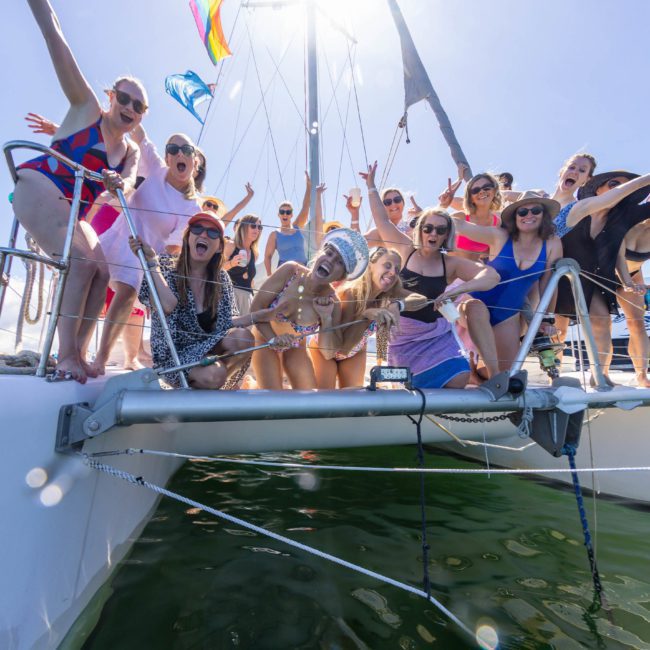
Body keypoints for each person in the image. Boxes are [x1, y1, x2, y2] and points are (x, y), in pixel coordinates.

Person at [12, 0, 145, 382]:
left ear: (140, 115)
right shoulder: (85, 108)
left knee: (102, 272)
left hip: (74, 210)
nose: (129, 107)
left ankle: (79, 353)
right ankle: (65, 355)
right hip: (39, 186)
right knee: (81, 263)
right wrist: (41, 7)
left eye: (138, 105)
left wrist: (118, 183)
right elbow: (57, 40)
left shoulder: (130, 150)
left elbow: (131, 181)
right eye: (123, 98)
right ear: (110, 97)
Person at [363, 162, 500, 389]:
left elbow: (491, 275)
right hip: (403, 337)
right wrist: (371, 186)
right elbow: (382, 220)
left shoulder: (451, 264)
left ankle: (494, 379)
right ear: (420, 231)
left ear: (447, 235)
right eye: (428, 228)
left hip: (435, 335)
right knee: (409, 386)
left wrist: (456, 290)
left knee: (459, 378)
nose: (433, 233)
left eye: (440, 229)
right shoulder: (406, 250)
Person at [94, 133, 204, 374]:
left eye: (186, 149)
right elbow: (139, 135)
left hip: (143, 254)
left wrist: (151, 258)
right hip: (117, 235)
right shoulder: (157, 168)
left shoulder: (193, 206)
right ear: (167, 156)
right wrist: (117, 100)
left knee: (126, 292)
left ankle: (100, 360)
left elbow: (173, 249)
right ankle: (75, 354)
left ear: (195, 161)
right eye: (173, 148)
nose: (179, 154)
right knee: (89, 282)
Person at [130, 211, 279, 388]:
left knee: (244, 338)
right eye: (197, 228)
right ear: (187, 238)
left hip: (206, 348)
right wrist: (151, 263)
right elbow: (168, 305)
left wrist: (265, 314)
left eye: (213, 232)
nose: (203, 234)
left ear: (219, 247)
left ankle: (212, 384)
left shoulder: (221, 278)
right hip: (174, 356)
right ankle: (209, 381)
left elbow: (228, 322)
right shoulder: (162, 265)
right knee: (215, 373)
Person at [555, 171, 650, 385]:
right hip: (562, 274)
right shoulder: (581, 209)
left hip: (596, 276)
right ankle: (555, 374)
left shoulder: (620, 219)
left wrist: (627, 281)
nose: (619, 188)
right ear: (598, 189)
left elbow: (616, 250)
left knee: (602, 321)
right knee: (559, 328)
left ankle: (601, 375)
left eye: (628, 186)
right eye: (614, 184)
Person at [453, 191, 563, 373]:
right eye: (522, 212)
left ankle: (476, 377)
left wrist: (547, 319)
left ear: (544, 215)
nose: (529, 215)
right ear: (514, 217)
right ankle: (471, 374)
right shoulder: (499, 236)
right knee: (470, 369)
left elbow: (548, 284)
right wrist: (438, 217)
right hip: (473, 307)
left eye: (535, 210)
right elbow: (459, 225)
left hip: (507, 315)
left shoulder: (552, 243)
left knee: (506, 374)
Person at [251, 228, 369, 389]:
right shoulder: (290, 270)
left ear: (342, 276)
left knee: (309, 399)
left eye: (339, 262)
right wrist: (273, 339)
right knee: (273, 398)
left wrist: (326, 318)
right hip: (264, 338)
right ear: (320, 253)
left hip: (295, 348)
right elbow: (255, 308)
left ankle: (256, 387)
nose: (330, 260)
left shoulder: (332, 302)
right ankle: (253, 386)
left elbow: (328, 353)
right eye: (329, 252)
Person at [309, 247, 427, 388]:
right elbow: (343, 347)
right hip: (326, 350)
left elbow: (422, 300)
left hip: (355, 352)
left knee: (354, 402)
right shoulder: (350, 295)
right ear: (370, 265)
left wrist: (398, 305)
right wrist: (366, 315)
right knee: (325, 401)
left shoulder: (390, 292)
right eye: (387, 265)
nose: (392, 272)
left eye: (397, 269)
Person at [617, 219, 650, 386]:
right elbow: (617, 255)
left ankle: (642, 374)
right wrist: (626, 282)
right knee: (601, 323)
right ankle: (602, 373)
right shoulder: (629, 221)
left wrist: (645, 285)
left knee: (637, 323)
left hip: (634, 275)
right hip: (604, 272)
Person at [264, 172, 312, 274]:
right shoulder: (274, 234)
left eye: (288, 212)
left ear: (291, 215)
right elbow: (267, 257)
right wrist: (270, 276)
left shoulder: (297, 226)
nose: (285, 214)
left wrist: (308, 187)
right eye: (282, 212)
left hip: (303, 270)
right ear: (279, 215)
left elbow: (305, 207)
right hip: (285, 274)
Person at [223, 214, 263, 316]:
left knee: (247, 330)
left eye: (259, 227)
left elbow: (250, 278)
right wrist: (232, 263)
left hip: (247, 297)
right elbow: (217, 269)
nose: (257, 230)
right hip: (230, 295)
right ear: (243, 227)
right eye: (253, 226)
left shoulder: (255, 253)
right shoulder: (231, 245)